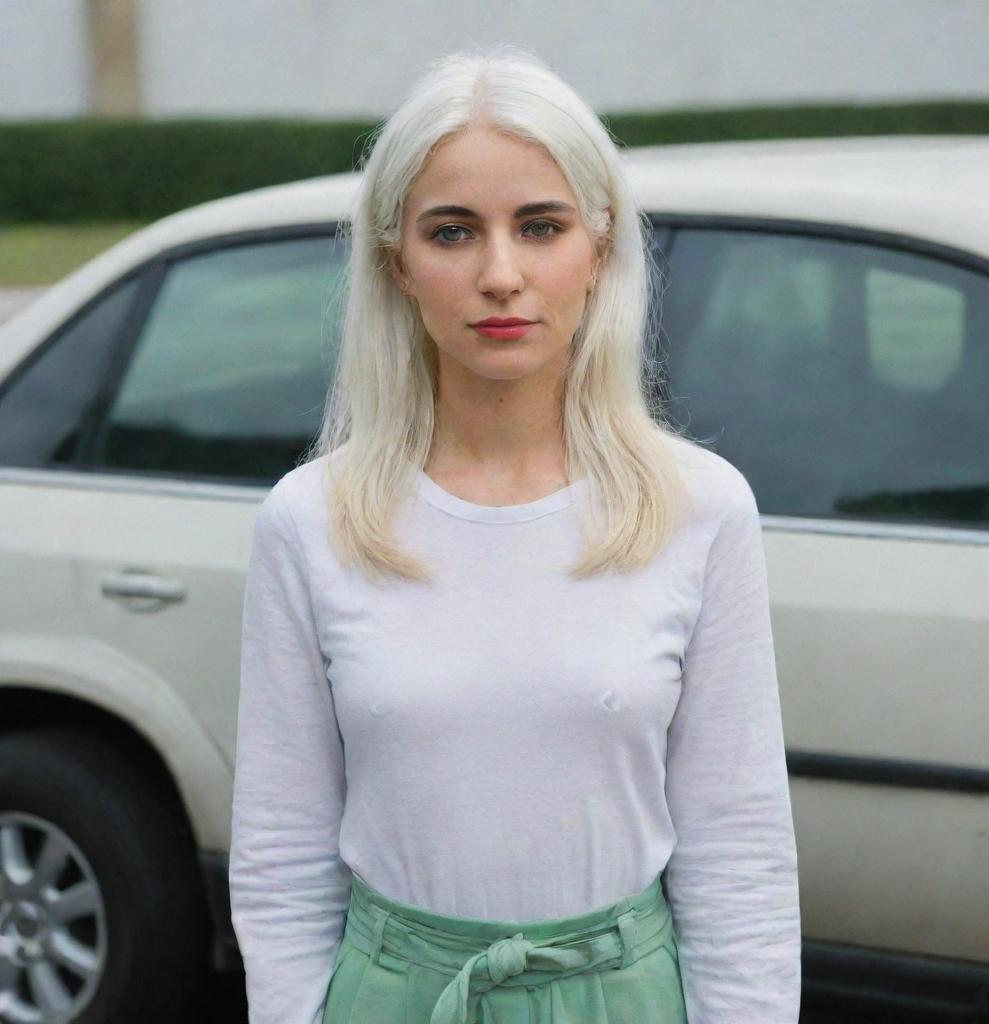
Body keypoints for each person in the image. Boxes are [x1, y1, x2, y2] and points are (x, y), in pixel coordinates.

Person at [229, 44, 801, 1024]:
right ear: (396, 262)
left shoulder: (699, 509)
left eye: (539, 226)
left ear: (600, 244)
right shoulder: (310, 522)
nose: (501, 274)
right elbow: (282, 852)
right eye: (453, 232)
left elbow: (737, 847)